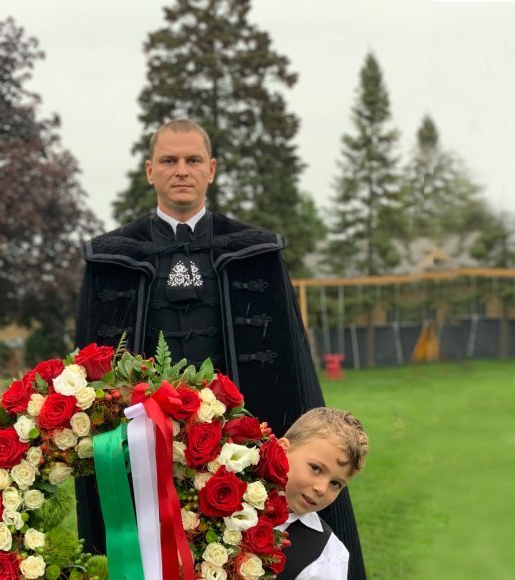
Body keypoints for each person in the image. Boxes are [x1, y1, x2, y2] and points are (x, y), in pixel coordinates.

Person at [75, 118, 367, 578]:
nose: (181, 170)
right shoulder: (112, 260)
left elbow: (292, 367)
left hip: (237, 451)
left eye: (193, 160)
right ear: (150, 171)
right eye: (169, 160)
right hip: (145, 456)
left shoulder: (256, 254)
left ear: (211, 170)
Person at [275, 407, 369, 580]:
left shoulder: (326, 556)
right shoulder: (230, 493)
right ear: (282, 450)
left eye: (335, 483)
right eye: (316, 468)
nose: (322, 489)